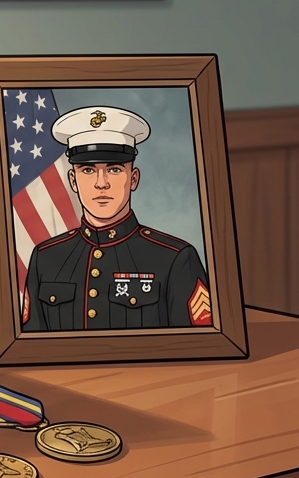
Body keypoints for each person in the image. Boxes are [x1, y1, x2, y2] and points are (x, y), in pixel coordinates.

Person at [23, 106, 213, 331]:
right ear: (73, 181)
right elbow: (32, 348)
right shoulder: (45, 257)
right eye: (88, 170)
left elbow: (196, 348)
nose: (101, 183)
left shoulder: (176, 258)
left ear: (133, 179)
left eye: (113, 169)